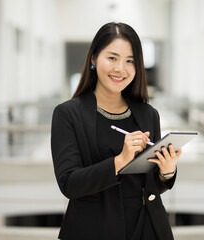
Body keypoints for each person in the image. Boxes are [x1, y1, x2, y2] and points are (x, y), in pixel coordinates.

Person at [51, 22, 182, 240]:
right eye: (112, 58)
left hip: (147, 228)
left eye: (130, 61)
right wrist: (119, 161)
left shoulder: (148, 114)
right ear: (93, 59)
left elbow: (149, 187)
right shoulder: (68, 114)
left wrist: (166, 172)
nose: (120, 68)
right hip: (93, 231)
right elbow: (69, 184)